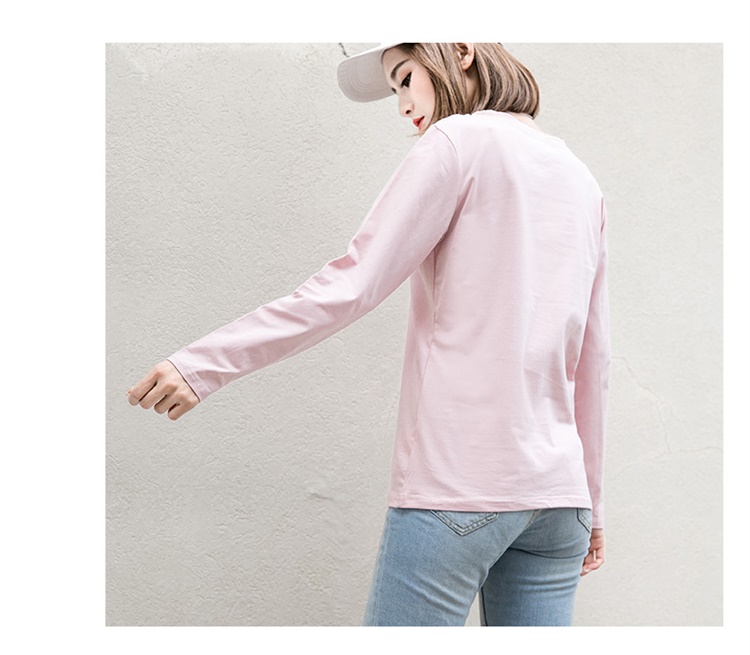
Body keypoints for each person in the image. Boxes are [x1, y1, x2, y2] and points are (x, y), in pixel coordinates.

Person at [127, 43, 611, 626]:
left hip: (459, 485)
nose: (403, 105)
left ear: (460, 51)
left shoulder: (456, 143)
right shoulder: (580, 177)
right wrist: (591, 501)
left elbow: (351, 284)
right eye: (395, 91)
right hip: (559, 504)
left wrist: (203, 364)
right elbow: (593, 358)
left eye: (406, 78)